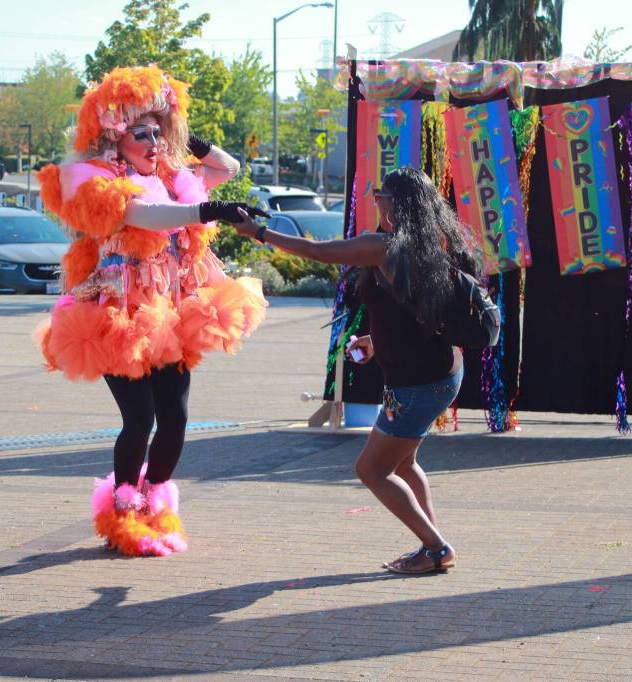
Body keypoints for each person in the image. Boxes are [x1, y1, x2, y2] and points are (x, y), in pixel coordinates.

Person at [34, 65, 267, 557]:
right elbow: (144, 217)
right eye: (141, 133)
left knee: (177, 421)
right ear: (116, 139)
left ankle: (153, 500)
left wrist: (188, 135)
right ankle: (122, 512)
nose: (154, 142)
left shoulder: (171, 177)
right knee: (139, 420)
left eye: (158, 133)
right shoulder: (98, 182)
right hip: (116, 317)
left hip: (169, 315)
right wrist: (208, 211)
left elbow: (228, 168)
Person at [234, 167, 478, 575]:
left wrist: (260, 233)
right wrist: (376, 341)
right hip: (443, 372)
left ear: (394, 203)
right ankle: (430, 542)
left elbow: (320, 252)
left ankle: (436, 549)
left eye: (380, 195)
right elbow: (417, 315)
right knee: (403, 463)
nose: (376, 201)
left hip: (418, 384)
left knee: (370, 469)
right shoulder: (436, 243)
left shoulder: (386, 247)